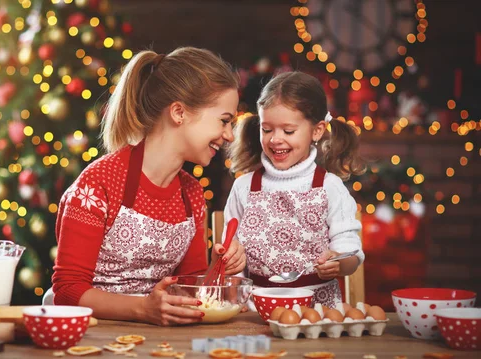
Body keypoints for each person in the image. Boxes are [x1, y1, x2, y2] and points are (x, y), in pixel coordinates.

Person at [51, 47, 246, 326]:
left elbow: (188, 289)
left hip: (158, 338)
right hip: (93, 336)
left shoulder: (191, 194)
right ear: (179, 112)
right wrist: (143, 309)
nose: (228, 136)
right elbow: (68, 292)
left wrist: (220, 267)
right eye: (224, 121)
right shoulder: (98, 184)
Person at [224, 71, 366, 308]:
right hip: (253, 310)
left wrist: (339, 263)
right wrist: (229, 261)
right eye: (267, 130)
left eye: (288, 131)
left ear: (317, 131)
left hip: (318, 312)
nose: (275, 140)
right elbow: (231, 255)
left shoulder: (329, 187)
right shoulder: (244, 187)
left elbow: (351, 255)